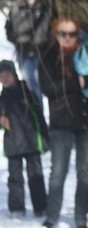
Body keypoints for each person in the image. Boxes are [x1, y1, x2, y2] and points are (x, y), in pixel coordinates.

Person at [38, 17, 88, 228]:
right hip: (62, 121)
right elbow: (49, 88)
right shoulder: (49, 57)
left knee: (85, 172)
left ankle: (81, 218)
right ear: (55, 34)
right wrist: (77, 82)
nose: (67, 38)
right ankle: (52, 216)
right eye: (62, 33)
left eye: (72, 34)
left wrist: (78, 83)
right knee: (58, 171)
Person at [0, 59, 48, 218]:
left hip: (31, 141)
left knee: (36, 176)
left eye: (7, 75)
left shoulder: (27, 92)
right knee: (14, 178)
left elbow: (39, 116)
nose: (4, 79)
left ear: (14, 74)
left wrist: (44, 138)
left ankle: (40, 207)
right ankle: (16, 208)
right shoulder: (1, 98)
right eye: (1, 76)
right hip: (12, 143)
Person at [4, 0, 51, 107]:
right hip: (24, 52)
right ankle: (39, 112)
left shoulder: (44, 5)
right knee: (31, 85)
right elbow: (8, 28)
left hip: (42, 50)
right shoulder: (16, 8)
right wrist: (17, 41)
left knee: (45, 83)